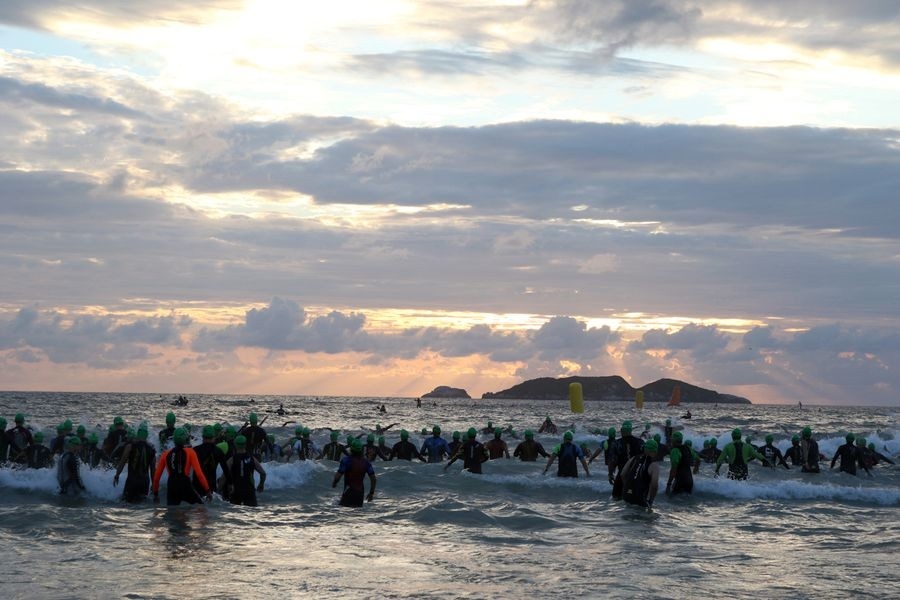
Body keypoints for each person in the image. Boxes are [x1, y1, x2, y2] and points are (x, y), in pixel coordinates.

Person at [152, 428, 212, 506]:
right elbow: (199, 474)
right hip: (185, 485)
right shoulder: (190, 452)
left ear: (174, 440)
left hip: (172, 486)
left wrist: (156, 494)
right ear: (185, 439)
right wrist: (207, 490)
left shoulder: (165, 454)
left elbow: (156, 478)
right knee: (201, 507)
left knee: (171, 513)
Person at [113, 425, 157, 503]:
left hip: (132, 481)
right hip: (145, 482)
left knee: (125, 504)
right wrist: (154, 485)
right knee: (142, 505)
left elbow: (122, 461)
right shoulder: (152, 449)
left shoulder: (130, 446)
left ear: (138, 434)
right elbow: (153, 470)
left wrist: (117, 475)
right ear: (146, 435)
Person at [332, 439, 376, 507]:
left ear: (351, 449)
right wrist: (371, 493)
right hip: (360, 494)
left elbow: (338, 476)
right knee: (357, 514)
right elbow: (373, 479)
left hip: (348, 492)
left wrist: (334, 483)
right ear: (361, 450)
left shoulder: (346, 461)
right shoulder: (366, 463)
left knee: (344, 513)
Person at [620, 438, 660, 510]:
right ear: (655, 451)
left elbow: (622, 474)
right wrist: (651, 500)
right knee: (645, 520)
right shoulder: (654, 465)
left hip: (626, 495)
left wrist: (627, 487)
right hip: (640, 498)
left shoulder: (634, 458)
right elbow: (654, 485)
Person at [226, 435, 267, 506]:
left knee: (234, 512)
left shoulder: (232, 459)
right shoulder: (252, 459)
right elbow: (263, 473)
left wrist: (220, 489)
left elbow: (224, 476)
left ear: (235, 445)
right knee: (251, 511)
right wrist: (261, 484)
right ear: (245, 445)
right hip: (249, 490)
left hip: (236, 490)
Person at [193, 425, 230, 495]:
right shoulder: (218, 451)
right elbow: (226, 470)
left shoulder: (195, 450)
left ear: (203, 437)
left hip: (197, 487)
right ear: (213, 438)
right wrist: (230, 483)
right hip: (211, 487)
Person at [611, 421, 644, 499]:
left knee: (616, 499)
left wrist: (610, 474)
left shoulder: (617, 443)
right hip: (636, 477)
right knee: (635, 500)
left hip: (621, 475)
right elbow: (645, 459)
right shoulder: (640, 442)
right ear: (631, 431)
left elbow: (612, 460)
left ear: (622, 430)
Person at [665, 431, 693, 496]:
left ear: (674, 440)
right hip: (690, 481)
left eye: (672, 440)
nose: (671, 441)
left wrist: (668, 484)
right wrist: (696, 468)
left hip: (680, 481)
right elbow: (697, 459)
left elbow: (673, 469)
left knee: (670, 500)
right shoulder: (687, 448)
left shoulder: (675, 451)